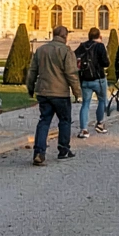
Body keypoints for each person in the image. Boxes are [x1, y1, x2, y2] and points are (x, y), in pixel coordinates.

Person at [25, 25, 83, 166]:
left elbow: (32, 71)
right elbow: (71, 74)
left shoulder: (40, 50)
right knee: (64, 121)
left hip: (43, 91)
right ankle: (63, 150)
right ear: (65, 36)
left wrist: (30, 88)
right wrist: (77, 93)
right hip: (60, 93)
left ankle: (39, 152)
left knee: (44, 121)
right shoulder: (66, 51)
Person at [75, 27, 110, 138]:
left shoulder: (82, 46)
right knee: (102, 100)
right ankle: (99, 123)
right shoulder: (100, 46)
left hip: (85, 79)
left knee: (85, 104)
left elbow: (74, 56)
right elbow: (106, 63)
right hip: (98, 78)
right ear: (99, 36)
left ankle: (84, 130)